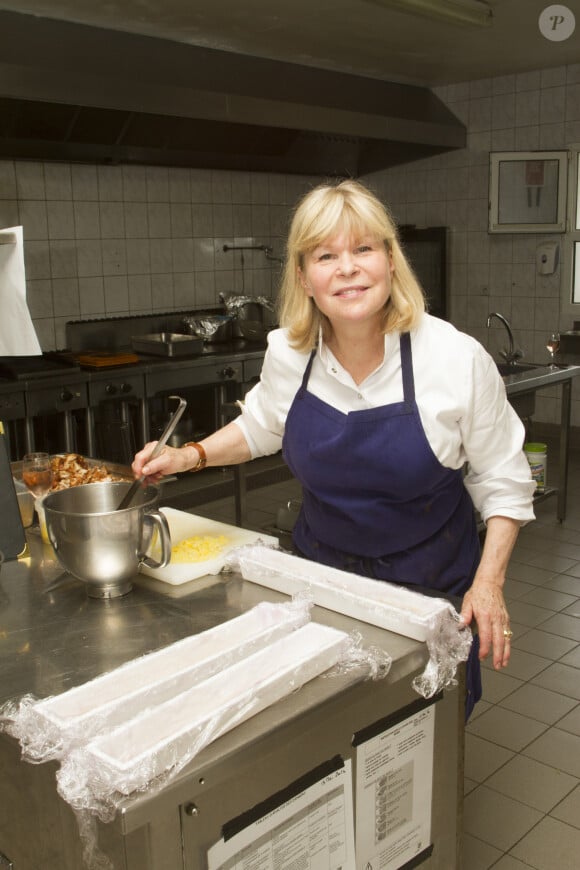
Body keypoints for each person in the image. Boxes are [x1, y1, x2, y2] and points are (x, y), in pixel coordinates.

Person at [132, 179, 535, 718]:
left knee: (418, 735)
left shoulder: (454, 359)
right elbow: (261, 427)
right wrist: (190, 455)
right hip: (321, 581)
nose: (346, 268)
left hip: (429, 590)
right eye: (326, 255)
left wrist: (488, 584)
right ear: (304, 277)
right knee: (329, 729)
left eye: (364, 249)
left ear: (391, 261)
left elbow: (504, 482)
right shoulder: (289, 352)